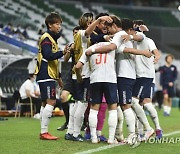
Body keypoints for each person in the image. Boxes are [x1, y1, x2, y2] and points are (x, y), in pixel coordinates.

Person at [122, 19, 162, 139]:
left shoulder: (144, 38)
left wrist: (157, 57)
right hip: (137, 75)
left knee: (141, 102)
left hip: (145, 75)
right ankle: (142, 131)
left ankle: (155, 129)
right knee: (140, 104)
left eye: (136, 27)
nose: (134, 29)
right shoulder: (131, 40)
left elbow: (154, 50)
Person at [34, 12, 64, 140]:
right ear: (49, 25)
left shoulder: (51, 38)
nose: (59, 26)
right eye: (56, 24)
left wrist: (58, 77)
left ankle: (43, 131)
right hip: (46, 74)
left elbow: (53, 61)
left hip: (46, 74)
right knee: (51, 101)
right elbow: (48, 56)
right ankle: (44, 132)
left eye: (60, 24)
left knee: (44, 103)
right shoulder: (46, 38)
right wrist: (63, 52)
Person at [57, 26, 80, 131]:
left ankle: (84, 123)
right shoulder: (71, 45)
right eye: (74, 33)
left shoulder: (86, 44)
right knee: (63, 97)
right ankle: (67, 121)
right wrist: (69, 51)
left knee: (81, 102)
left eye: (77, 32)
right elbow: (65, 60)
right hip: (72, 75)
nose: (76, 34)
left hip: (83, 76)